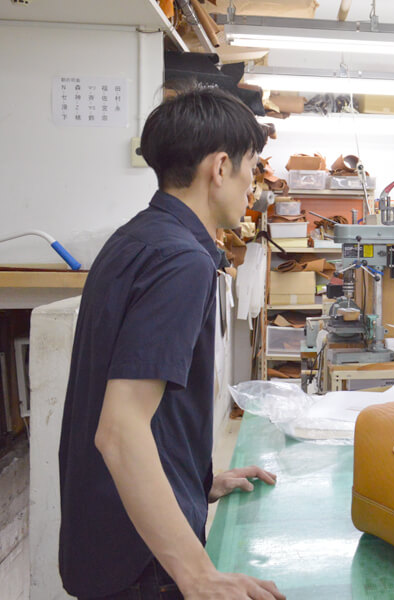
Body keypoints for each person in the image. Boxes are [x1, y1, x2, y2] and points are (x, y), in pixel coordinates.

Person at [58, 86, 286, 600]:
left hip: (104, 536)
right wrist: (198, 575)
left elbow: (136, 401)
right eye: (252, 168)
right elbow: (120, 430)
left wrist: (197, 480)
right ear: (221, 167)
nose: (253, 185)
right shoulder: (181, 262)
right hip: (143, 562)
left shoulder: (134, 239)